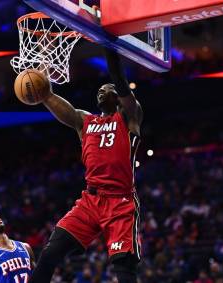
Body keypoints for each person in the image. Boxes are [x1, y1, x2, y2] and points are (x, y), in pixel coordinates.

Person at [30, 48, 143, 283]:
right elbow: (61, 107)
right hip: (90, 200)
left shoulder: (129, 117)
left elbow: (120, 81)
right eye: (99, 90)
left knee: (124, 267)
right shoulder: (85, 121)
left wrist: (109, 46)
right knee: (50, 252)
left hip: (119, 200)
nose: (102, 90)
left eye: (107, 88)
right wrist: (44, 92)